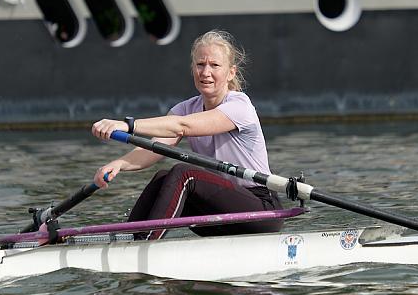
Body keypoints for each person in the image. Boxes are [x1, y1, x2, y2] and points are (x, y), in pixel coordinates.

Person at [91, 30, 282, 240]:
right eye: (200, 65)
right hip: (221, 207)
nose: (205, 72)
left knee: (184, 173)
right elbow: (153, 149)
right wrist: (119, 164)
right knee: (163, 177)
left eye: (214, 65)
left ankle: (144, 243)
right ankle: (128, 238)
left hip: (261, 209)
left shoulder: (239, 106)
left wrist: (128, 125)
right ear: (193, 69)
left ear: (231, 73)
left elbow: (181, 126)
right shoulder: (185, 108)